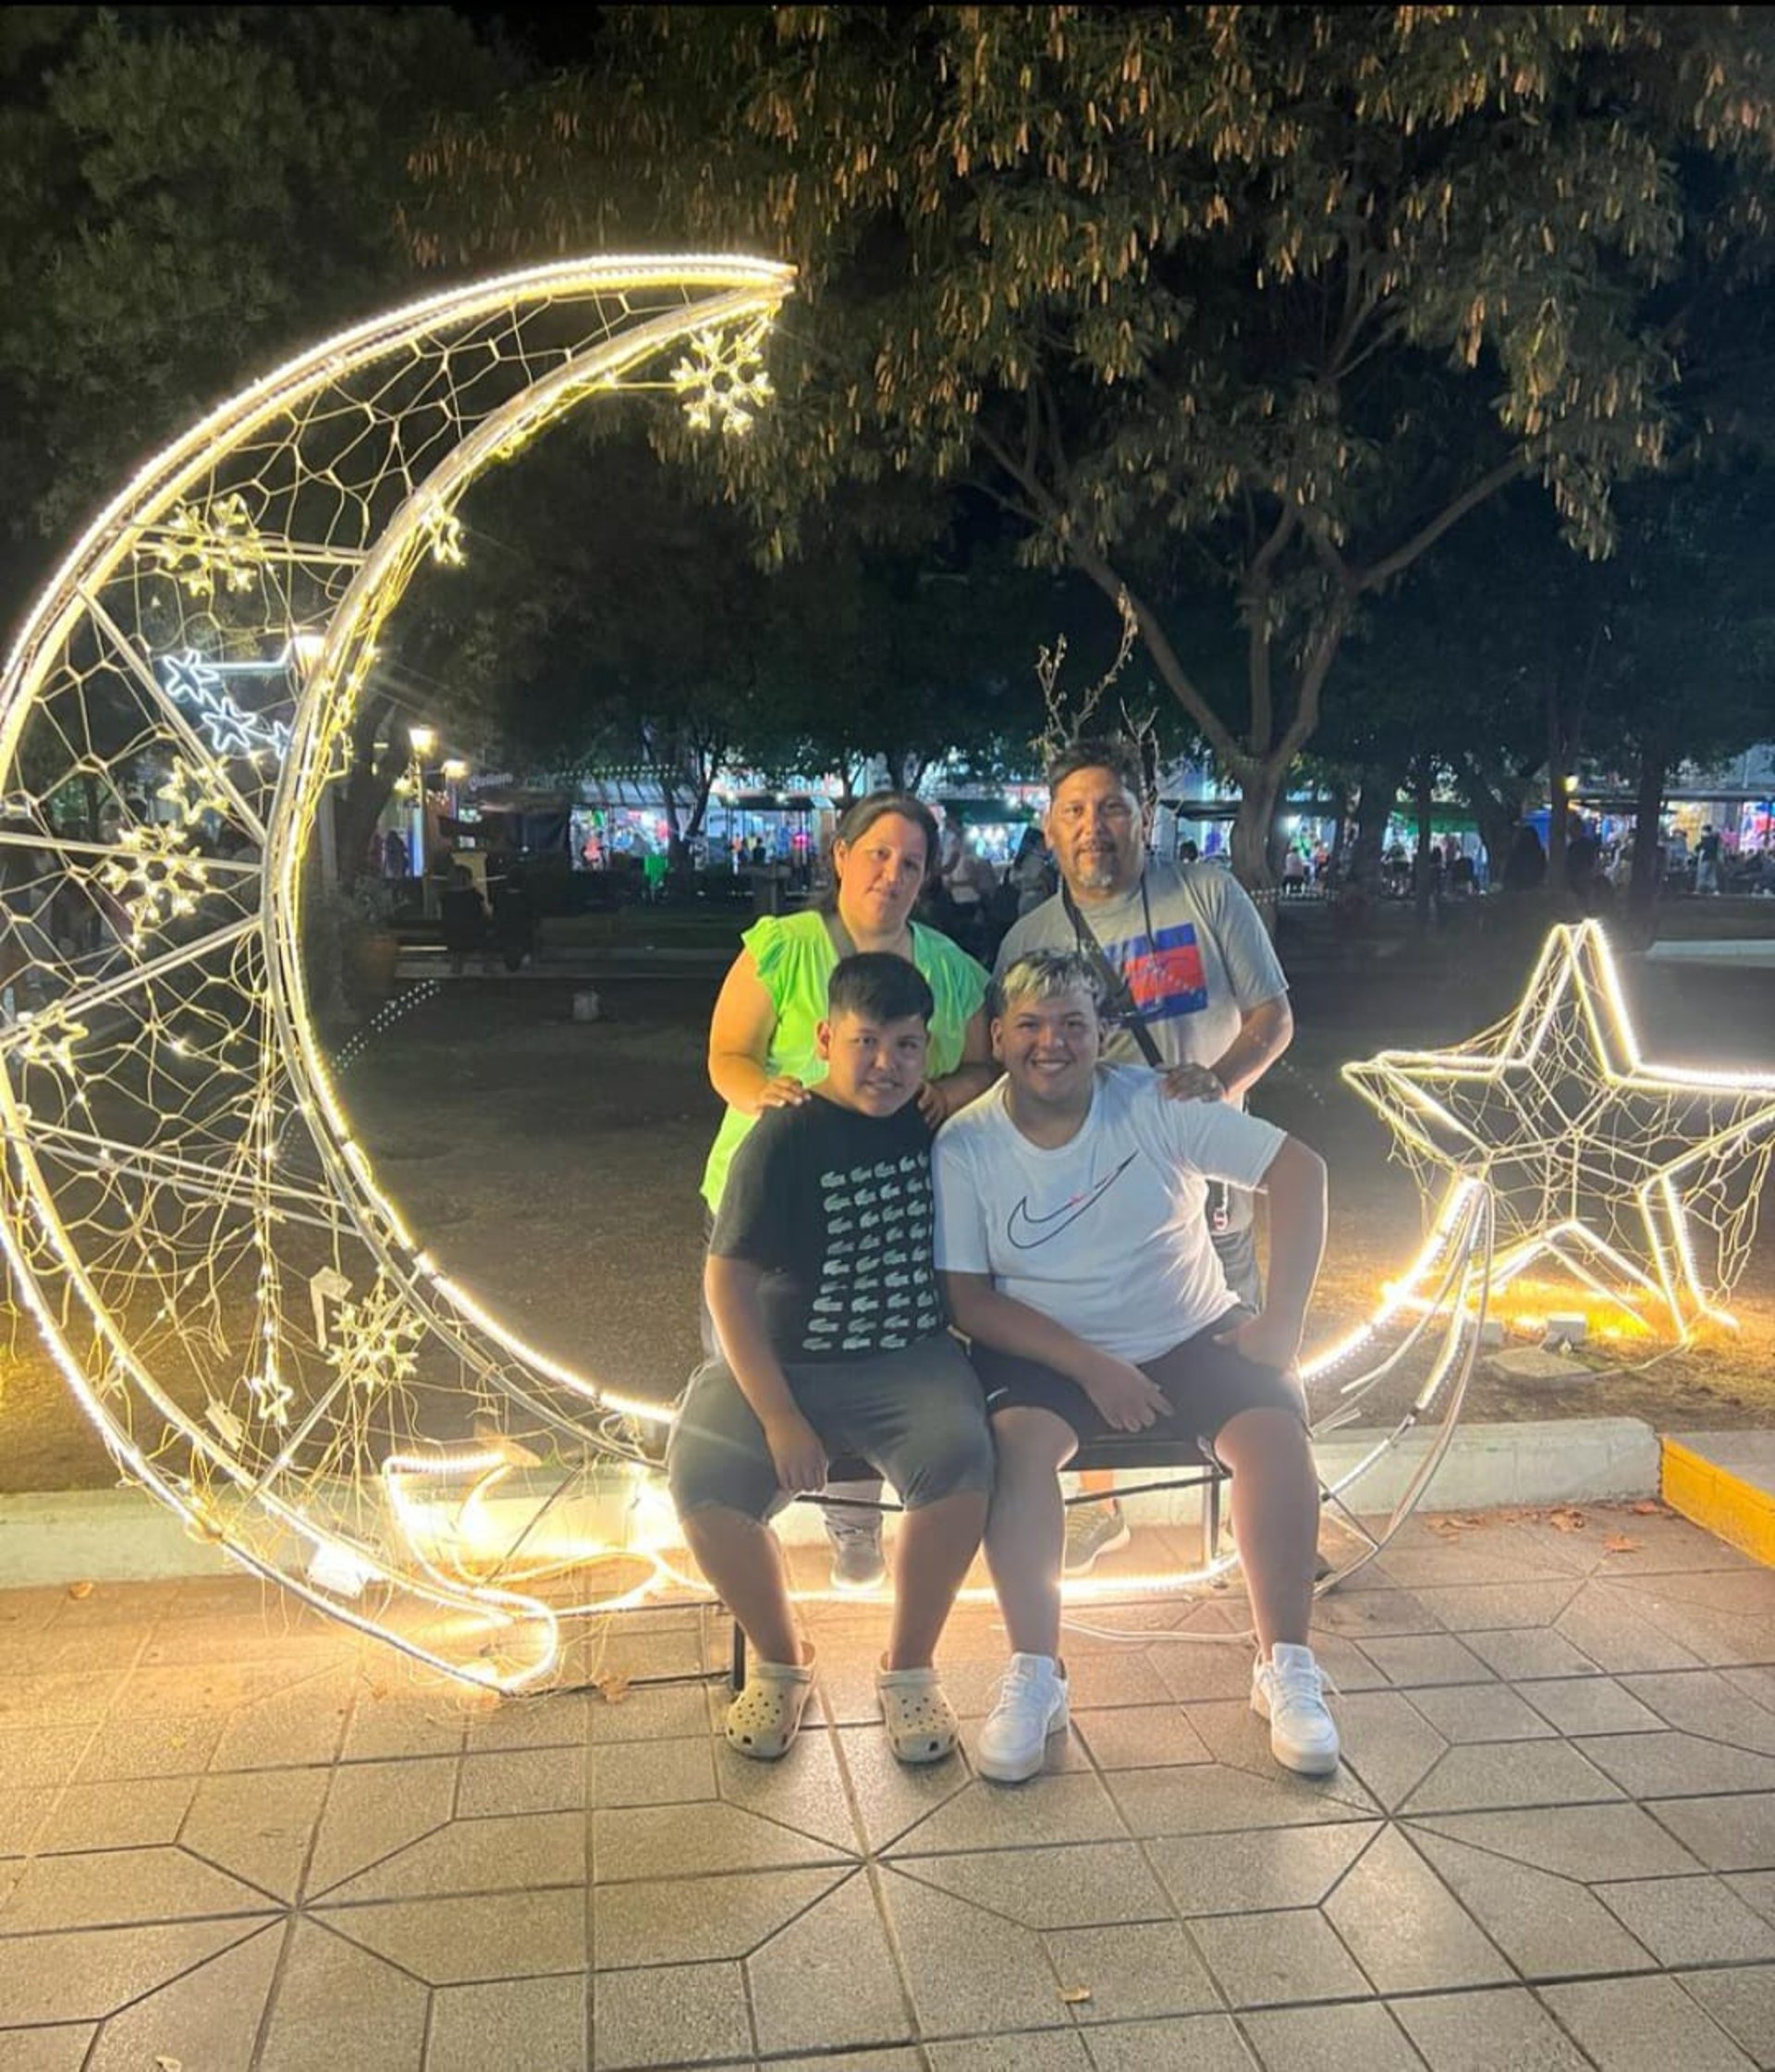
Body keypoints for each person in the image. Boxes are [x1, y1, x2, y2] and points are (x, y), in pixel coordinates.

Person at [934, 951, 1336, 1783]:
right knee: (1016, 1447)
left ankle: (1286, 1664)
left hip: (1187, 1325)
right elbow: (969, 1299)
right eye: (1030, 1025)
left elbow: (1301, 1169)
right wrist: (1090, 1366)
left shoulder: (1157, 1102)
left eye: (1073, 1024)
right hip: (1043, 1341)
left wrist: (1282, 1321)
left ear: (1104, 1034)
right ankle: (1036, 1672)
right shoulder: (966, 1142)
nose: (1051, 1042)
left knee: (1274, 1434)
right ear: (998, 1036)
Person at [669, 955, 993, 1764]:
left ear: (926, 1050)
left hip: (907, 1356)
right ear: (824, 1039)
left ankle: (909, 1666)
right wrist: (779, 1415)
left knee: (961, 1459)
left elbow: (1013, 1084)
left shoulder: (934, 1121)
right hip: (787, 1361)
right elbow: (726, 1281)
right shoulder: (784, 1134)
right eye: (865, 1041)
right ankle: (781, 1659)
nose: (886, 1063)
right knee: (703, 1477)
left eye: (906, 1045)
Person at [994, 738, 1294, 1574]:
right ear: (1049, 828)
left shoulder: (1206, 893)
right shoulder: (1028, 936)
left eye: (1113, 807)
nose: (1094, 826)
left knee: (1242, 1346)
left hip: (1211, 1182)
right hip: (1088, 1197)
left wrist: (1220, 1084)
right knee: (1089, 1334)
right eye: (1074, 810)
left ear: (1146, 816)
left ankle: (1264, 1510)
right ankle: (1099, 1503)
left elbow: (1273, 1017)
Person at [703, 791, 998, 1587]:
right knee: (753, 1362)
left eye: (911, 862)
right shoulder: (784, 947)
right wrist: (768, 1097)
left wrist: (951, 1090)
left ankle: (853, 1527)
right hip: (772, 1200)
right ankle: (752, 1528)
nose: (891, 874)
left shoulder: (949, 967)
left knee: (869, 1353)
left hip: (882, 1202)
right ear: (840, 854)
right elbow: (727, 1053)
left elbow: (982, 1064)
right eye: (877, 853)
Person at [439, 864, 487, 976]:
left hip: (453, 935)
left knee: (456, 956)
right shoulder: (475, 896)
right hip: (473, 934)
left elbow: (443, 916)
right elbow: (484, 914)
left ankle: (455, 973)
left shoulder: (446, 897)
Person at [1695, 825, 1722, 895]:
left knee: (1702, 874)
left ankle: (1700, 889)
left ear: (1706, 831)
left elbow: (1698, 848)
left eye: (1703, 831)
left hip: (1705, 858)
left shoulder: (1706, 839)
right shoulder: (1715, 839)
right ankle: (1714, 889)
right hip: (1713, 859)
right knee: (1712, 875)